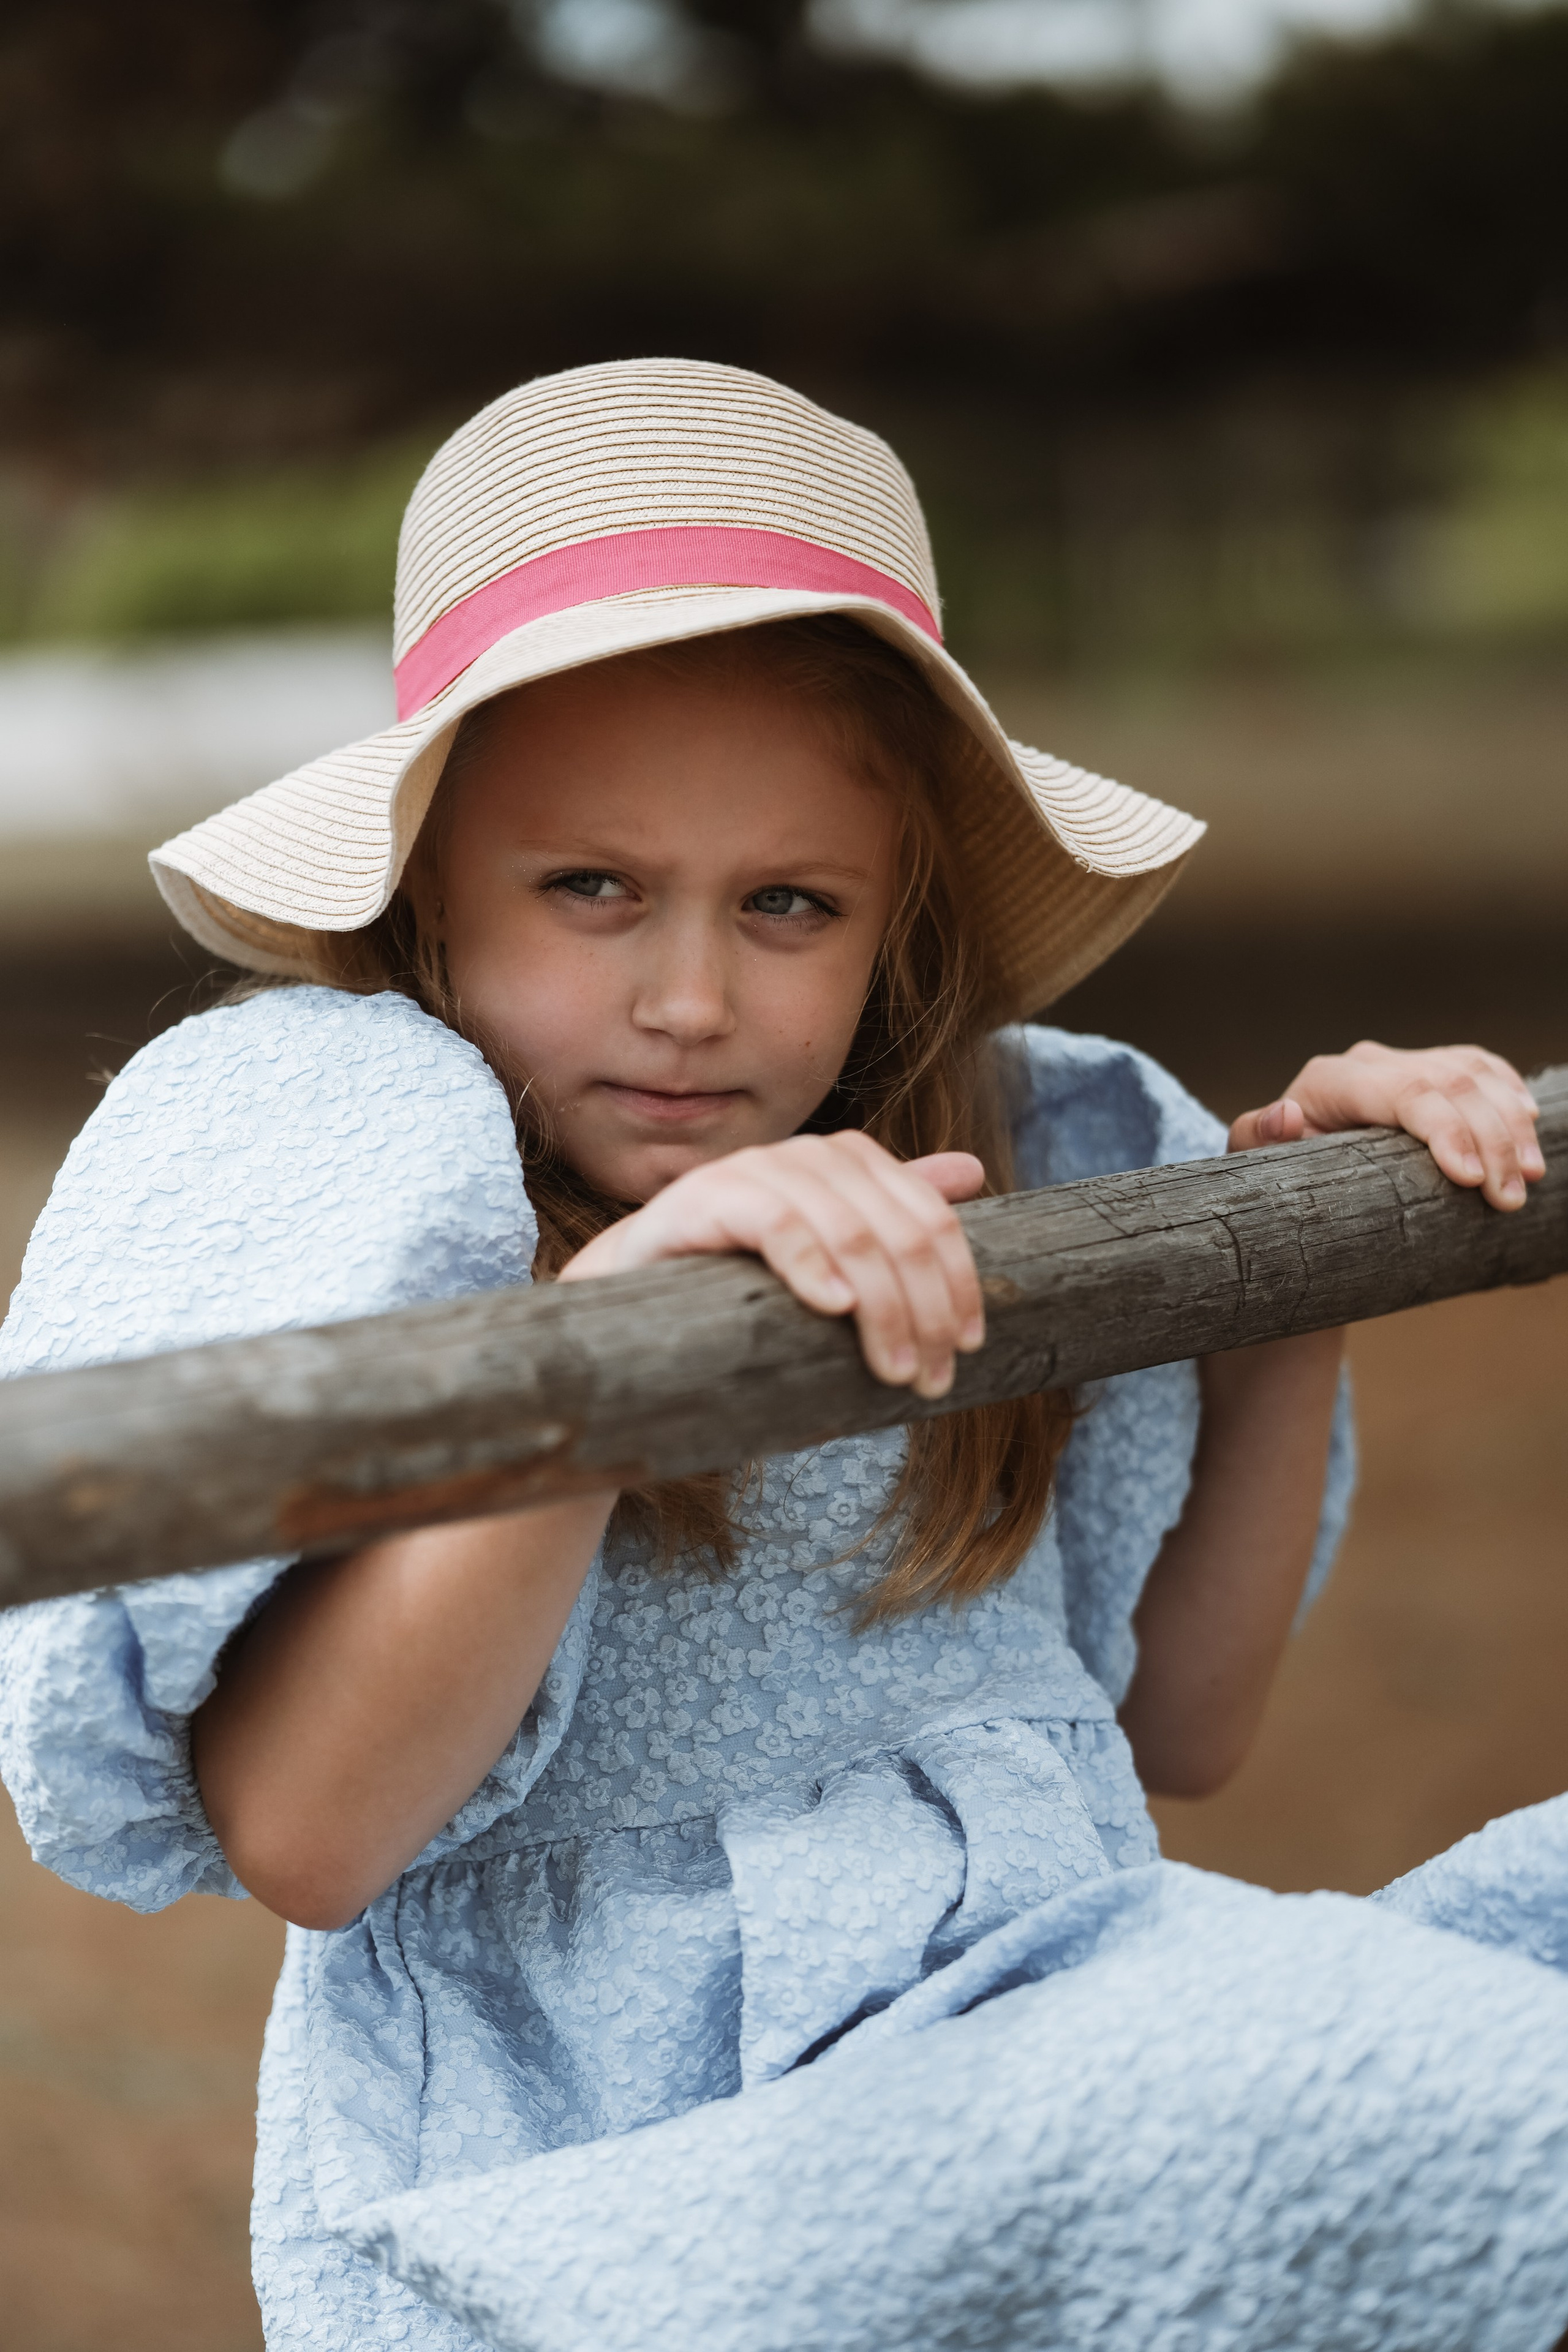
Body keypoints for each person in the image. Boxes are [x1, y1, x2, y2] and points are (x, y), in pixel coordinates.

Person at [1, 360, 1564, 2352]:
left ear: (893, 920)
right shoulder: (398, 1213)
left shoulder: (1006, 1179)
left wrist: (1296, 1272)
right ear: (428, 902)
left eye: (789, 906)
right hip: (622, 2187)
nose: (687, 998)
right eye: (591, 889)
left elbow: (1178, 1726)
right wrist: (607, 1349)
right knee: (1402, 2095)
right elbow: (310, 1839)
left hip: (1046, 2033)